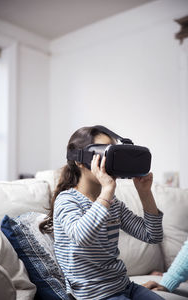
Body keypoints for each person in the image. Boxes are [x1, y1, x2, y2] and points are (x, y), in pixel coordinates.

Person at [40, 125, 165, 300]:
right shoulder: (67, 200)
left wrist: (145, 192)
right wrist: (107, 190)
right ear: (80, 160)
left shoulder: (113, 204)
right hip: (94, 295)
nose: (111, 161)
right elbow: (82, 237)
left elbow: (153, 235)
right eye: (105, 153)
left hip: (124, 286)